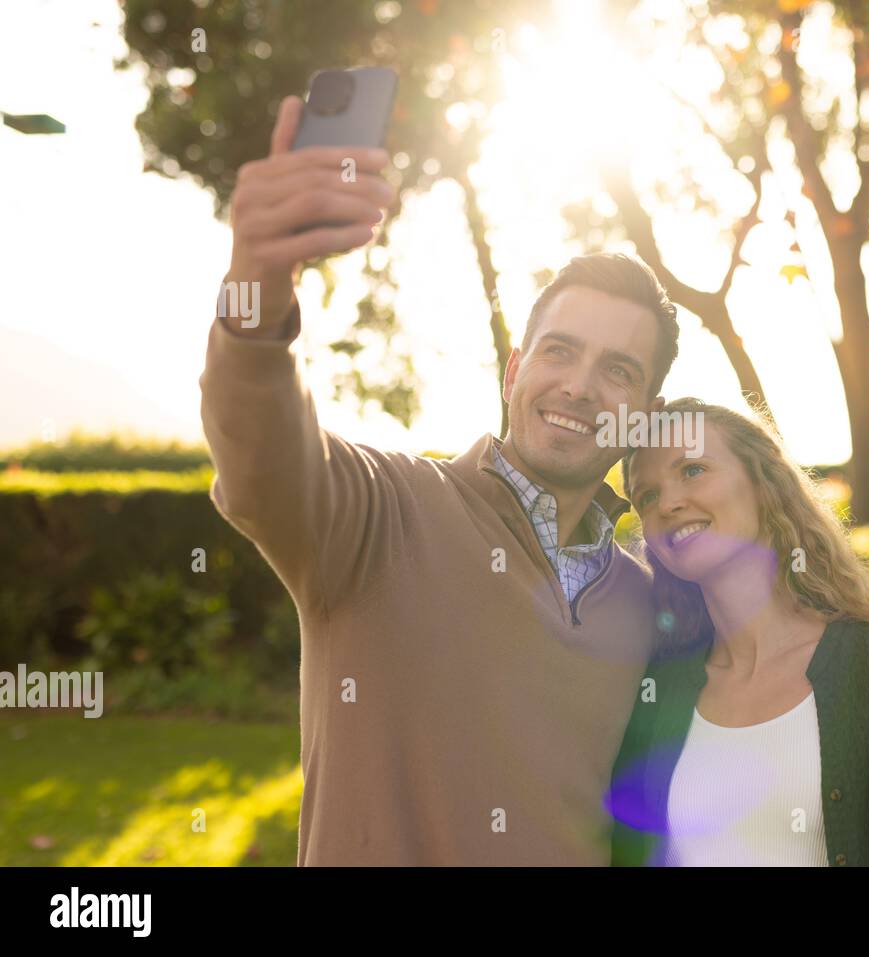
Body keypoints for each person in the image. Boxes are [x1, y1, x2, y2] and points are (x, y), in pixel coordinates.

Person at [201, 95, 680, 864]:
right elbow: (261, 458)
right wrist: (257, 283)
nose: (580, 387)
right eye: (558, 352)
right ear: (516, 369)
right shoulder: (382, 515)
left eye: (617, 369)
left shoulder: (648, 605)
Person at [609, 399, 869, 866]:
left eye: (693, 470)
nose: (669, 503)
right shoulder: (657, 687)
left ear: (763, 483)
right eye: (647, 496)